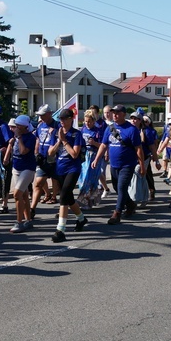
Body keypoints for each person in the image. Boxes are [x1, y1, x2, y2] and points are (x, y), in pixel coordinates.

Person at [91, 105, 145, 224]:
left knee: (121, 187)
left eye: (118, 113)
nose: (114, 115)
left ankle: (117, 213)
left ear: (124, 114)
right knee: (117, 188)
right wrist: (96, 159)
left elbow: (138, 149)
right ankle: (130, 204)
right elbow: (104, 145)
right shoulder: (109, 128)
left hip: (127, 165)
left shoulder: (131, 129)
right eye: (113, 112)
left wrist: (142, 165)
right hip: (114, 165)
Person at [48, 109, 87, 242]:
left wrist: (64, 141)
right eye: (61, 119)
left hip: (73, 168)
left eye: (65, 119)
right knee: (68, 198)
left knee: (64, 196)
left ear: (71, 119)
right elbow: (50, 153)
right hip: (60, 169)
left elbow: (75, 154)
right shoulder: (56, 132)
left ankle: (60, 230)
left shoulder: (76, 134)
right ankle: (81, 219)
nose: (62, 122)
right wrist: (59, 141)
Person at [4, 115, 37, 233]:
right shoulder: (16, 136)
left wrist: (19, 138)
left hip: (28, 168)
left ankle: (19, 222)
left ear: (25, 127)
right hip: (16, 167)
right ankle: (28, 220)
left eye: (18, 125)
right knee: (23, 195)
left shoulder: (30, 137)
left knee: (17, 194)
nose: (16, 127)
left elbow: (23, 151)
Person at [30, 104, 59, 218]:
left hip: (54, 159)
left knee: (57, 181)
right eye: (39, 115)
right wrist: (36, 153)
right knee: (38, 183)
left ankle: (57, 200)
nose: (40, 117)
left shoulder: (57, 126)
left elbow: (59, 142)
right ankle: (32, 209)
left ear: (49, 114)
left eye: (42, 115)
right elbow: (37, 139)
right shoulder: (40, 126)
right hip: (42, 159)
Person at [77, 109, 104, 207]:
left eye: (89, 121)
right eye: (86, 121)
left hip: (93, 156)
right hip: (84, 156)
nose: (87, 123)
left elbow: (103, 145)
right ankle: (89, 199)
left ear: (93, 121)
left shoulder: (98, 131)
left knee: (89, 180)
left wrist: (94, 143)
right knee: (82, 179)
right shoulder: (83, 129)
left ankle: (87, 201)